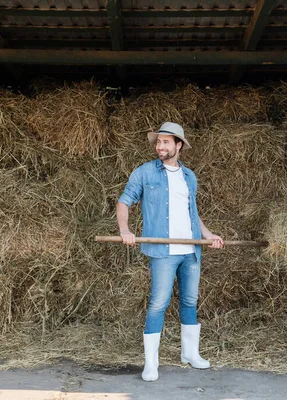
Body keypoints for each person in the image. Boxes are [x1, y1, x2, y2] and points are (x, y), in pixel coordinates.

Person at [116, 122, 224, 382]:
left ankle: (190, 354)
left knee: (189, 301)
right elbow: (124, 201)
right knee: (158, 303)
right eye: (157, 142)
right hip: (163, 252)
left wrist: (207, 235)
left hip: (191, 251)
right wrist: (125, 230)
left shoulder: (189, 177)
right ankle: (151, 364)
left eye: (165, 142)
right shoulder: (144, 173)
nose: (159, 146)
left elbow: (192, 214)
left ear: (178, 145)